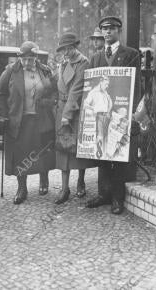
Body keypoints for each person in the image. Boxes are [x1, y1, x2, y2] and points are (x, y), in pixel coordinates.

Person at [86, 16, 141, 215]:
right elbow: (90, 87)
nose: (108, 32)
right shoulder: (95, 58)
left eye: (112, 28)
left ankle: (117, 197)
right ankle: (103, 194)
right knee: (101, 151)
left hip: (120, 113)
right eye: (104, 29)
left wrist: (133, 111)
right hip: (101, 114)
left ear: (119, 30)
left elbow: (137, 86)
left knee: (117, 153)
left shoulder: (131, 54)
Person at [0, 41, 56, 204]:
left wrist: (48, 102)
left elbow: (54, 92)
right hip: (20, 120)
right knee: (21, 154)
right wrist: (3, 115)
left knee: (43, 151)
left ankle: (44, 179)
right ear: (19, 58)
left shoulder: (45, 70)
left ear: (36, 58)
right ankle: (22, 188)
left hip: (42, 119)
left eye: (31, 59)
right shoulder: (11, 71)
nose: (27, 63)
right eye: (24, 59)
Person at [54, 32, 96, 204]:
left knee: (78, 150)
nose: (66, 52)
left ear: (75, 47)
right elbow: (59, 85)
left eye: (69, 49)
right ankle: (65, 188)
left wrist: (67, 115)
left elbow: (76, 91)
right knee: (63, 150)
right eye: (63, 49)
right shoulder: (64, 62)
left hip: (75, 111)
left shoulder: (83, 62)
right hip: (62, 108)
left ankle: (80, 181)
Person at [83, 76, 113, 158]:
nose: (107, 86)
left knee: (106, 137)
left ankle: (104, 155)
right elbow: (85, 104)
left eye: (108, 84)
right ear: (101, 82)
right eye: (106, 84)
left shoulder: (105, 93)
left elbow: (109, 104)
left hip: (106, 117)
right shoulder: (93, 92)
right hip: (99, 116)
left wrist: (108, 112)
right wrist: (94, 109)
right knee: (100, 136)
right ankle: (99, 154)